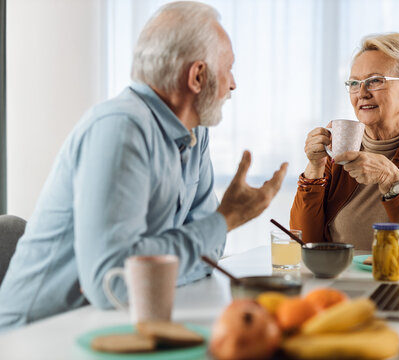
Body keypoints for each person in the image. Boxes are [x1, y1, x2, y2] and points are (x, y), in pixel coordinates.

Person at [0, 1, 288, 331]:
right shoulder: (120, 129)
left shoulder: (195, 134)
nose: (233, 84)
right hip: (35, 336)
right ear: (198, 76)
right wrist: (225, 219)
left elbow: (209, 252)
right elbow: (117, 282)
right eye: (229, 68)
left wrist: (199, 238)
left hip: (114, 322)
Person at [290, 32, 399, 257]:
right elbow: (303, 243)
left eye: (375, 81)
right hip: (342, 281)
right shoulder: (340, 144)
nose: (361, 93)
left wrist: (390, 178)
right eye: (354, 83)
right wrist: (314, 168)